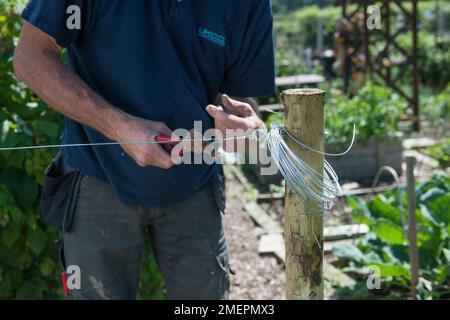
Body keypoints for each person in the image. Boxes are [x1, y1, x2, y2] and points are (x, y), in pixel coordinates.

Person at [14, 0, 275, 300]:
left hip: (194, 185)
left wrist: (247, 126)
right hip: (97, 178)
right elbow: (30, 56)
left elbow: (237, 97)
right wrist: (118, 126)